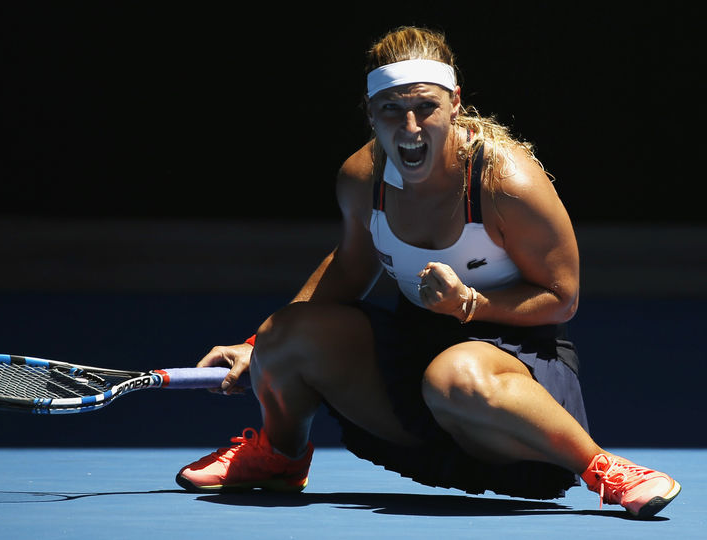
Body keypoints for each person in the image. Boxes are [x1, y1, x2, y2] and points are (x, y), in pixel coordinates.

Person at [176, 26, 680, 518]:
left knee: (455, 374)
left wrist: (473, 306)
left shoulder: (507, 181)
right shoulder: (362, 177)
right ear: (371, 112)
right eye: (392, 110)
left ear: (455, 103)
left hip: (515, 366)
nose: (410, 127)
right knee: (282, 334)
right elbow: (351, 268)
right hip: (414, 363)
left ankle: (604, 469)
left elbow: (561, 297)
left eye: (426, 107)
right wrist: (255, 348)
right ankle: (281, 459)